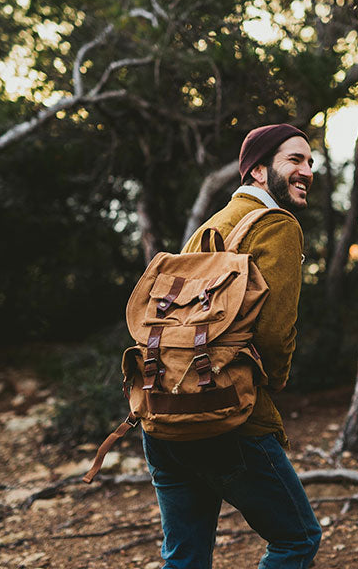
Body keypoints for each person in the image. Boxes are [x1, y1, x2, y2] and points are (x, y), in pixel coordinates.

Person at [141, 123, 322, 569]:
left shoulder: (211, 226)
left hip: (164, 413)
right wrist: (272, 383)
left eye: (310, 162)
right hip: (227, 418)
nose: (307, 170)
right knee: (297, 539)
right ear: (258, 171)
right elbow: (276, 332)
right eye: (294, 160)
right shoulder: (277, 226)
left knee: (185, 558)